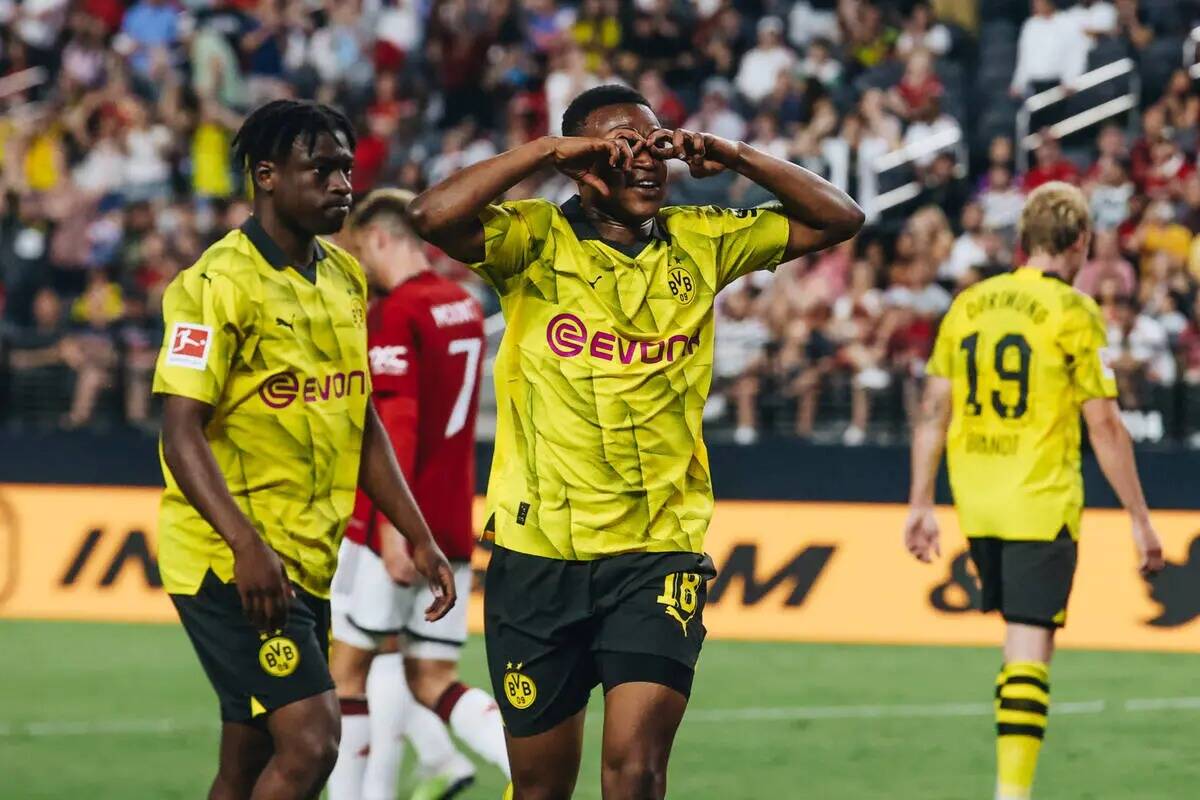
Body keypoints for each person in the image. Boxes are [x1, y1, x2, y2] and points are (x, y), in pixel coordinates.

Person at [408, 84, 864, 799]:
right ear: (583, 166)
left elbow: (840, 217)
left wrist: (735, 155)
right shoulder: (531, 240)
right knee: (539, 787)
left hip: (657, 552)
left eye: (656, 147)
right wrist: (547, 152)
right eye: (623, 151)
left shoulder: (701, 239)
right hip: (539, 555)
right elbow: (429, 215)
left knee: (636, 770)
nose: (648, 165)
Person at [152, 100, 456, 800]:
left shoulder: (347, 278)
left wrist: (416, 532)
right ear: (266, 176)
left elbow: (362, 421)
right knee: (314, 743)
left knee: (248, 762)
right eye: (321, 170)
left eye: (347, 170)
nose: (343, 185)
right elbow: (180, 429)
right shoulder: (214, 285)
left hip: (309, 560)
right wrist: (245, 546)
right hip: (230, 564)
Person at [904, 182, 1165, 800]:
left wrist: (920, 501)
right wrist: (1140, 518)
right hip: (1038, 498)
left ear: (1023, 240)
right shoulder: (1074, 310)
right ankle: (1011, 793)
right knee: (1028, 644)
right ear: (1079, 243)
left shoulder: (969, 303)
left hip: (977, 499)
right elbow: (1103, 422)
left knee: (1015, 644)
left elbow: (933, 410)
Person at [327, 189, 510, 800]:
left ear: (380, 238)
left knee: (345, 672)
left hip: (401, 525)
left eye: (360, 249)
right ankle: (527, 770)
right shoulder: (460, 304)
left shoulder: (397, 313)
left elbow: (396, 423)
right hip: (453, 516)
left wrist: (393, 527)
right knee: (432, 675)